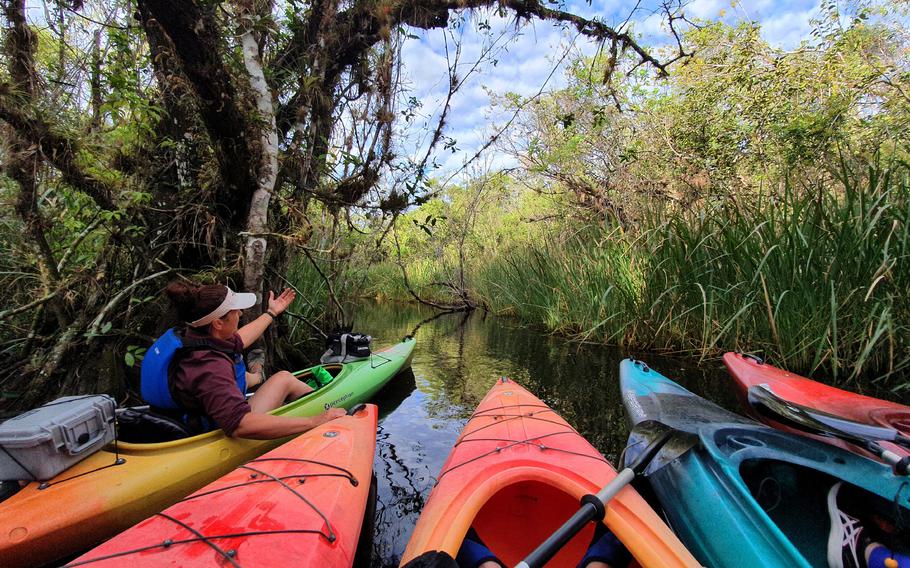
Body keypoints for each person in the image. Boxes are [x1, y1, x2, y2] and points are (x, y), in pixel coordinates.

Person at [161, 280, 345, 439]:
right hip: (218, 432)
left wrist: (271, 313)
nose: (240, 314)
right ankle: (329, 411)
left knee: (283, 377)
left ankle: (317, 402)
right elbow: (240, 425)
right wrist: (315, 421)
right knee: (287, 383)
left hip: (200, 416)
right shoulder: (210, 367)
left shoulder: (194, 336)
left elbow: (241, 339)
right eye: (235, 311)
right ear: (217, 323)